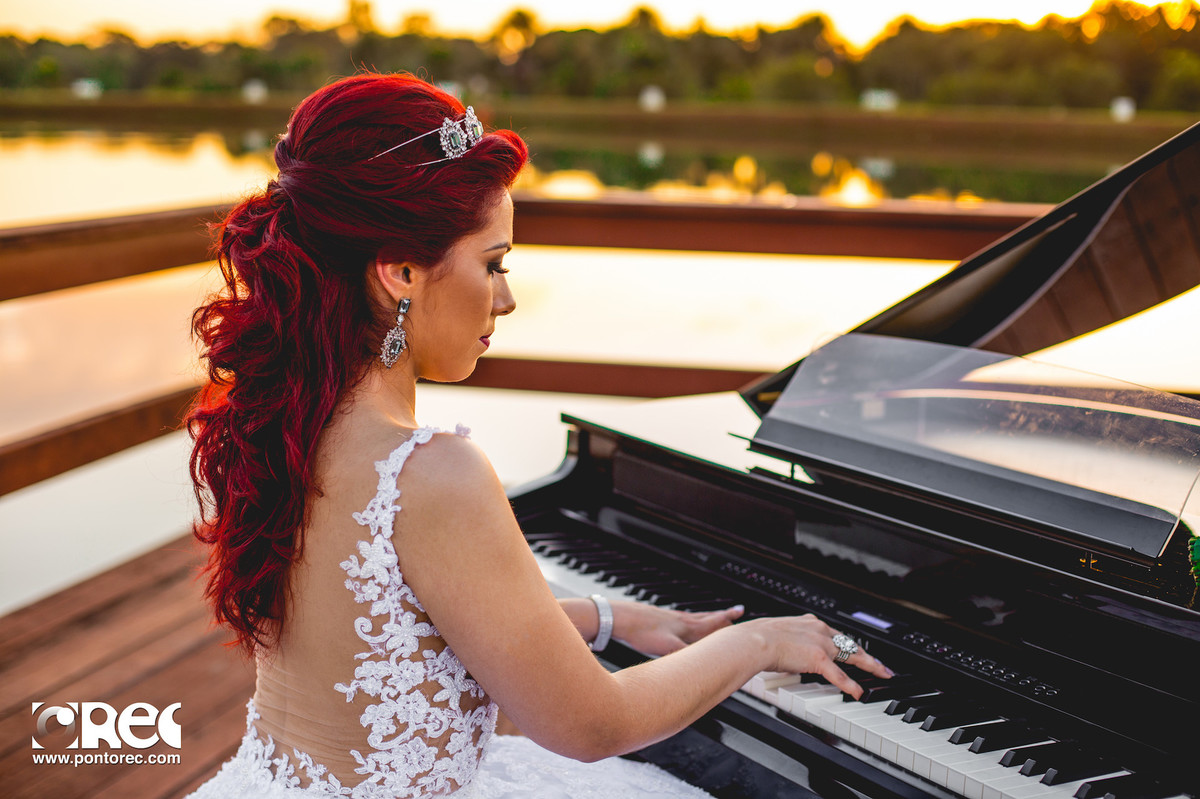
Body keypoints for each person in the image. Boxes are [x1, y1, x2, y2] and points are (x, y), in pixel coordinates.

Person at [185, 72, 891, 799]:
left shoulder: (283, 424)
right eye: (493, 264)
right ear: (399, 270)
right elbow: (591, 725)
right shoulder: (434, 474)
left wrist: (609, 615)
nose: (507, 297)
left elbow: (393, 618)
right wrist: (761, 641)